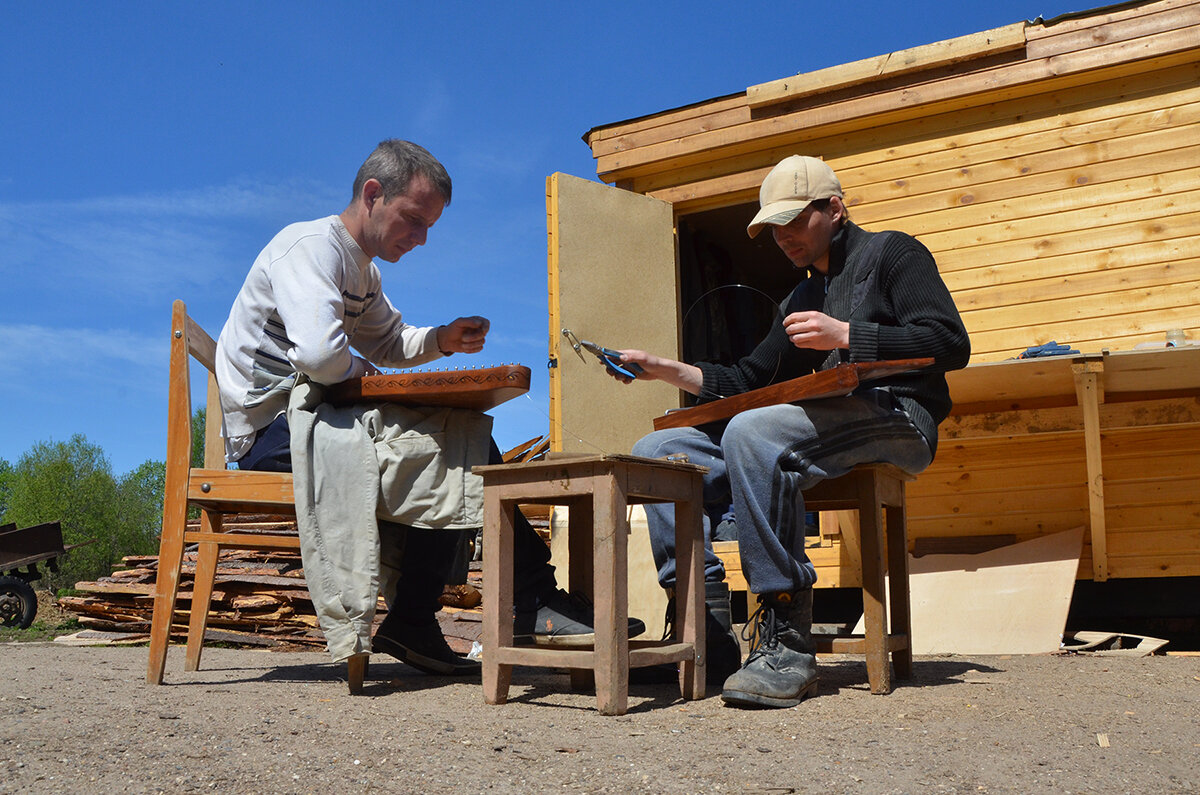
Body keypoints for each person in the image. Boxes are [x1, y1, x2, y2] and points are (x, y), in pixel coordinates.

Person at [214, 139, 641, 677]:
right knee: (456, 446)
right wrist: (366, 377)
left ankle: (433, 615)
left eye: (428, 228)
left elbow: (389, 342)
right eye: (413, 220)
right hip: (272, 435)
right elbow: (323, 359)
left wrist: (442, 338)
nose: (419, 239)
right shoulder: (308, 248)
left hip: (312, 420)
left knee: (458, 437)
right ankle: (525, 602)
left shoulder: (362, 273)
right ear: (373, 194)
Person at [607, 155, 971, 708]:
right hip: (830, 422)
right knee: (660, 451)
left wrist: (847, 333)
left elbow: (950, 344)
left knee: (754, 433)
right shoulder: (800, 297)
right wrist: (664, 368)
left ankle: (787, 640)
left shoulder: (893, 254)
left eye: (796, 221)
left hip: (897, 417)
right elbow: (748, 378)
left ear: (836, 208)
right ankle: (702, 633)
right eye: (774, 227)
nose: (783, 236)